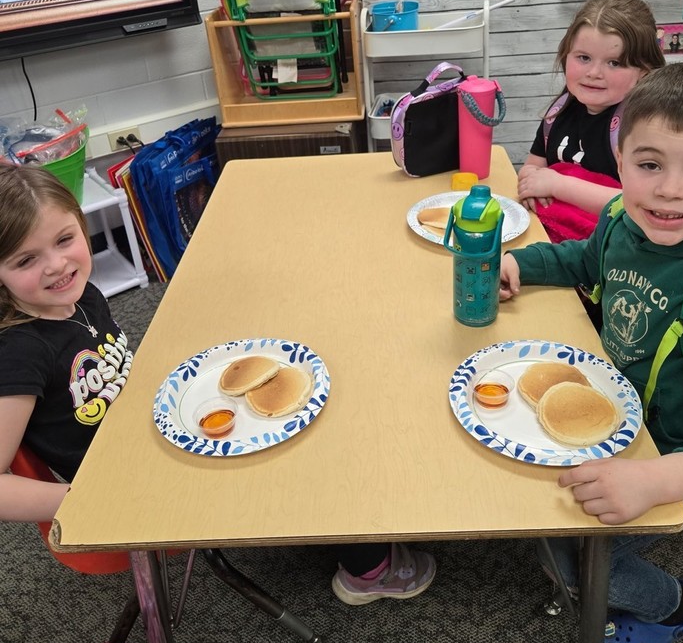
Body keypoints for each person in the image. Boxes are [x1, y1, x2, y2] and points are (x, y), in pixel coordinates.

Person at [0, 165, 435, 604]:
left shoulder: (80, 297)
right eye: (26, 259)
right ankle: (370, 570)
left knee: (295, 381)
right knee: (309, 449)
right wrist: (86, 497)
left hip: (151, 437)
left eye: (64, 240)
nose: (57, 265)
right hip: (130, 486)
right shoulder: (18, 354)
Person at [500, 61, 683, 643]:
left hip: (678, 456)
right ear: (621, 160)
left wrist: (653, 481)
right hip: (609, 414)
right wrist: (524, 267)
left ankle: (676, 606)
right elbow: (584, 259)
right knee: (520, 495)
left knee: (566, 553)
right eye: (649, 164)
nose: (668, 189)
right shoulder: (622, 220)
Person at [518, 0, 665, 244]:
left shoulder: (645, 129)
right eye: (584, 58)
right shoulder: (558, 112)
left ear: (644, 71)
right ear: (566, 57)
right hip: (551, 240)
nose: (594, 72)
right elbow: (532, 167)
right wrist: (530, 187)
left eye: (615, 63)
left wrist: (557, 186)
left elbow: (643, 205)